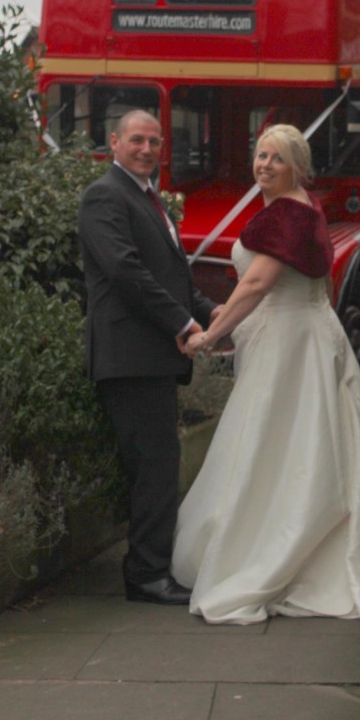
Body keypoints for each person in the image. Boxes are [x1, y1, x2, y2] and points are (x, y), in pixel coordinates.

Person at [171, 124, 360, 624]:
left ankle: (269, 554)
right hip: (304, 336)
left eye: (276, 158)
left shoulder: (288, 216)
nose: (264, 165)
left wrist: (211, 338)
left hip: (290, 345)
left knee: (276, 442)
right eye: (259, 156)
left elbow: (255, 284)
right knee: (301, 441)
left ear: (297, 165)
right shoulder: (301, 207)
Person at [78, 109, 217, 606]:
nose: (146, 149)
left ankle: (149, 569)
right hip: (130, 356)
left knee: (157, 464)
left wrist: (211, 312)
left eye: (155, 142)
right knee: (156, 465)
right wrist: (183, 324)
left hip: (149, 356)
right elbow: (125, 270)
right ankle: (147, 576)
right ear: (113, 141)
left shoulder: (148, 198)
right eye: (136, 140)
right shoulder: (104, 196)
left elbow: (171, 273)